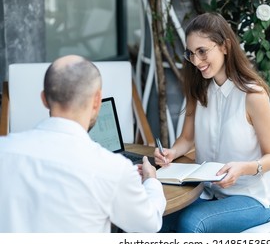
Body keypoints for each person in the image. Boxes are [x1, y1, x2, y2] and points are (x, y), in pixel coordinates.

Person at [0, 55, 166, 233]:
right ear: (97, 101)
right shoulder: (113, 169)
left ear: (44, 99)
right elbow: (149, 224)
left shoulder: (4, 151)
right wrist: (151, 181)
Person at [154, 12, 270, 233]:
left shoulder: (253, 96)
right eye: (191, 54)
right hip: (208, 192)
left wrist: (242, 169)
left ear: (225, 46)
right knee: (153, 219)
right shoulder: (199, 90)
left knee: (192, 223)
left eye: (202, 52)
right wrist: (171, 152)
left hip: (251, 198)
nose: (196, 61)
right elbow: (186, 138)